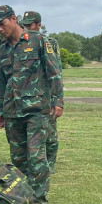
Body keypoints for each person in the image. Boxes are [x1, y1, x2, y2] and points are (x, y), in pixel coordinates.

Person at [0, 5, 63, 204]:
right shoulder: (2, 50)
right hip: (12, 110)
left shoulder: (39, 41)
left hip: (37, 109)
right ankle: (23, 196)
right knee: (18, 157)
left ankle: (39, 201)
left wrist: (58, 101)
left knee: (36, 156)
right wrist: (0, 110)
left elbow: (54, 73)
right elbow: (0, 82)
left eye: (1, 24)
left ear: (14, 19)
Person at [21, 10, 62, 171]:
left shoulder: (49, 42)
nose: (27, 29)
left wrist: (57, 98)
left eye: (30, 25)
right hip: (27, 96)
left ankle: (49, 163)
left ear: (39, 25)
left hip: (46, 94)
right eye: (24, 26)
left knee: (50, 132)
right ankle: (32, 162)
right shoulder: (20, 43)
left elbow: (55, 70)